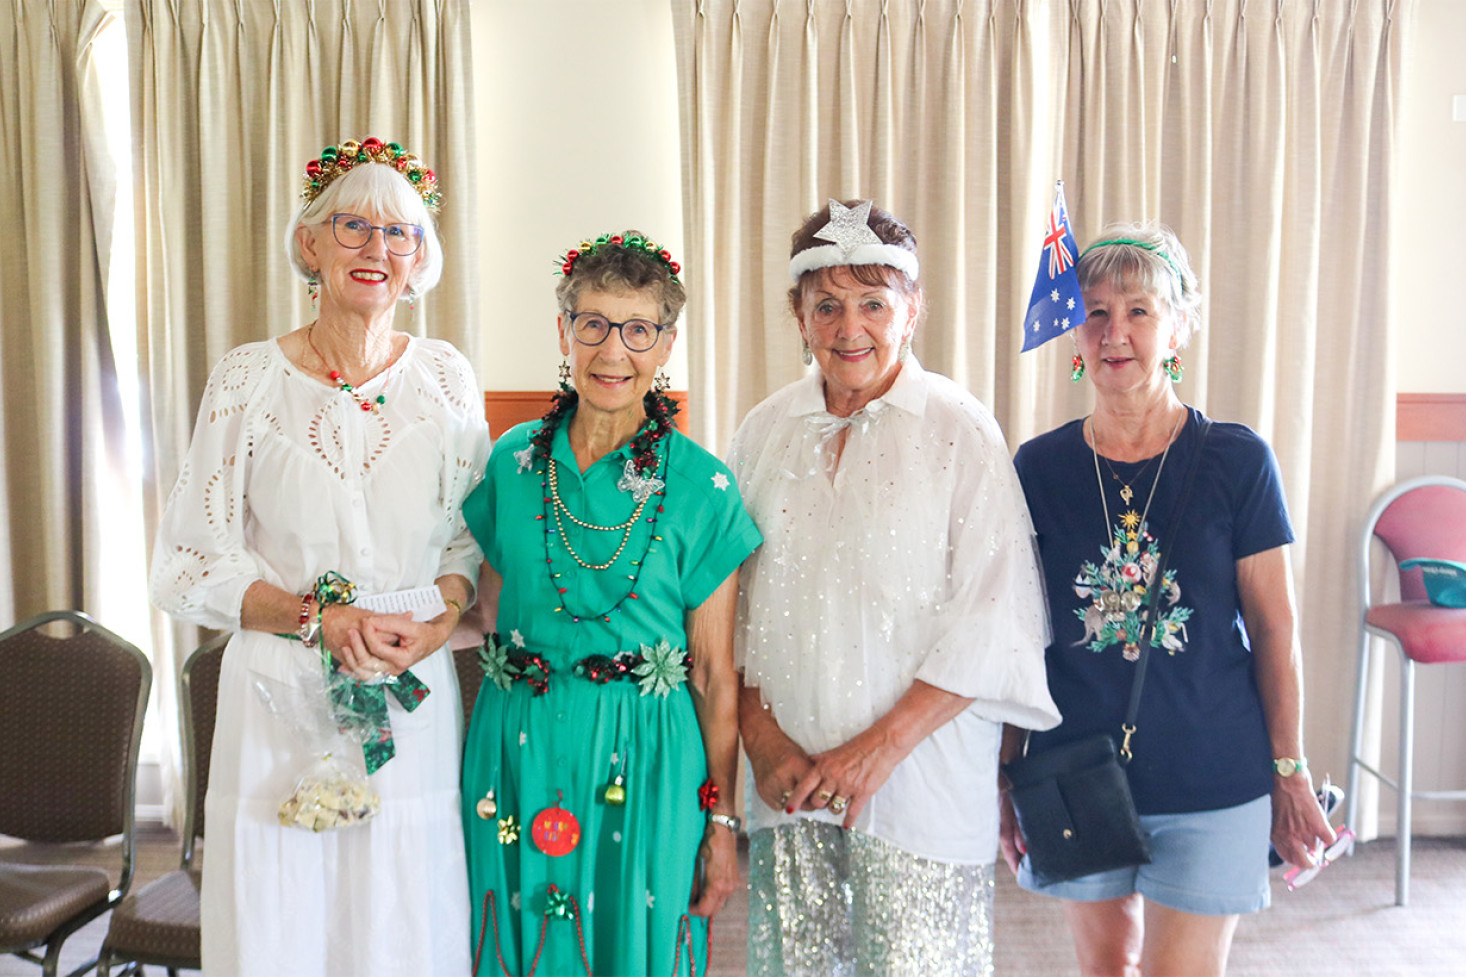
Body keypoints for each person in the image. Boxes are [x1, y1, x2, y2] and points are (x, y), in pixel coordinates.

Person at [149, 137, 488, 976]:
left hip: (407, 688)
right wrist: (317, 616)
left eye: (400, 232)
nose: (377, 248)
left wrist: (440, 618)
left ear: (420, 259)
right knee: (281, 915)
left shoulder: (447, 378)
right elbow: (188, 561)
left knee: (400, 912)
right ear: (309, 244)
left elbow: (467, 542)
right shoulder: (245, 379)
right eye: (353, 226)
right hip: (277, 691)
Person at [729, 199, 1062, 977]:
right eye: (828, 304)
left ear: (911, 310)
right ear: (798, 315)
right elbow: (729, 605)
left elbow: (996, 615)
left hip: (921, 783)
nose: (851, 327)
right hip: (791, 785)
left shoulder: (959, 428)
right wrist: (760, 736)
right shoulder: (762, 430)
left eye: (873, 303)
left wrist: (875, 752)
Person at [1003, 222, 1335, 977]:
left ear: (1178, 325)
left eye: (1139, 312)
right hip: (1074, 767)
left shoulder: (1237, 459)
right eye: (1096, 312)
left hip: (1212, 773)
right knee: (1104, 971)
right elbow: (1015, 634)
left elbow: (1276, 629)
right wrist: (1003, 770)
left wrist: (1290, 767)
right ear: (1074, 335)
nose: (1115, 333)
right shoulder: (1038, 467)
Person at [459, 231, 760, 976]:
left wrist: (722, 822)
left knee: (635, 948)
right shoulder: (512, 459)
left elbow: (717, 676)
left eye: (637, 329)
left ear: (666, 345)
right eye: (593, 323)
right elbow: (485, 615)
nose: (612, 351)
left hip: (649, 756)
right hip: (517, 744)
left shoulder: (704, 486)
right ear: (564, 331)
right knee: (517, 942)